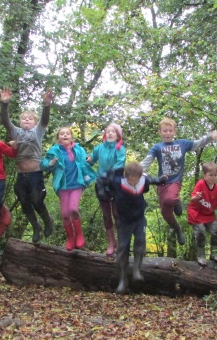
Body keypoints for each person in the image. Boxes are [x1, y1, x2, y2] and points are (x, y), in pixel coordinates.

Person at [140, 117, 217, 246]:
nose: (168, 133)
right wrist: (133, 172)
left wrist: (210, 136)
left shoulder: (181, 144)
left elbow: (198, 143)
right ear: (160, 132)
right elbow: (147, 161)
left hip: (175, 181)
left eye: (170, 130)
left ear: (175, 131)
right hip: (162, 183)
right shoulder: (157, 147)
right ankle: (177, 228)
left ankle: (175, 200)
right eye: (165, 130)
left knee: (170, 199)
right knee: (165, 214)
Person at [98, 161, 166, 294]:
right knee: (122, 248)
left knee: (140, 240)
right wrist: (101, 191)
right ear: (126, 176)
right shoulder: (118, 181)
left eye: (136, 180)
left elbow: (152, 179)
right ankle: (122, 279)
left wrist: (160, 180)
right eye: (131, 180)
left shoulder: (143, 180)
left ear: (140, 176)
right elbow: (101, 179)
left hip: (139, 218)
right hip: (124, 220)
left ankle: (136, 270)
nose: (133, 182)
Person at [0, 87, 54, 244]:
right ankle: (36, 227)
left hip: (35, 174)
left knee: (37, 200)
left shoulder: (38, 131)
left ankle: (47, 220)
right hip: (21, 175)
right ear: (20, 122)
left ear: (35, 122)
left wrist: (46, 105)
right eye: (24, 119)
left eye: (30, 119)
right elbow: (5, 121)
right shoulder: (16, 132)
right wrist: (4, 103)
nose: (27, 120)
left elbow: (45, 120)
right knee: (24, 202)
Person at [41, 127, 96, 251]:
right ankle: (71, 238)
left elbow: (87, 160)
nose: (65, 135)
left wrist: (90, 158)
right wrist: (50, 164)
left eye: (67, 134)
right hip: (63, 186)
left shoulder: (79, 149)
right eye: (62, 134)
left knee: (73, 209)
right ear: (58, 138)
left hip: (77, 184)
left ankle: (79, 235)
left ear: (71, 137)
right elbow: (43, 164)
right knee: (65, 214)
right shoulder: (54, 151)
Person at [86, 123, 126, 256]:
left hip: (115, 184)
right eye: (108, 131)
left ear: (118, 135)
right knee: (106, 214)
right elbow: (91, 159)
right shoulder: (99, 148)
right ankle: (111, 242)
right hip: (101, 185)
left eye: (113, 132)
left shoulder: (120, 148)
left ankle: (121, 242)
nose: (110, 133)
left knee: (117, 213)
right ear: (105, 134)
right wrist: (88, 159)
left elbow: (120, 164)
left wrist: (108, 176)